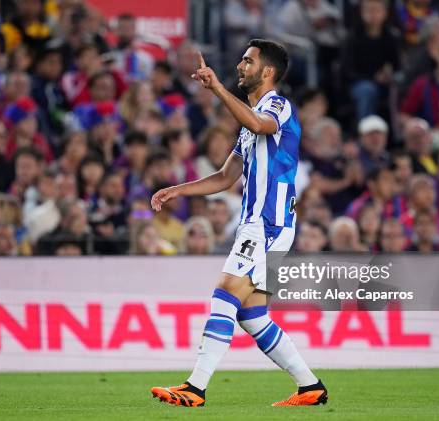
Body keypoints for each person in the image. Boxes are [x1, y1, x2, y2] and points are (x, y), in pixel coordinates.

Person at [150, 39, 327, 407]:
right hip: (261, 224)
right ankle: (310, 387)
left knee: (225, 294)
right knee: (251, 315)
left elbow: (262, 124)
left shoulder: (276, 105)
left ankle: (195, 387)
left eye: (248, 62)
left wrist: (216, 88)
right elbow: (225, 177)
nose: (240, 67)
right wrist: (177, 191)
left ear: (267, 72)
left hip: (267, 223)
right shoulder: (247, 126)